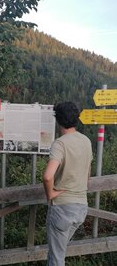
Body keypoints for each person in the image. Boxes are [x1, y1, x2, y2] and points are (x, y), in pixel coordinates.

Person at [43, 101, 92, 266]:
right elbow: (87, 173)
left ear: (58, 121)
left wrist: (50, 194)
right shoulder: (86, 141)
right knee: (58, 251)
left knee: (56, 259)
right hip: (81, 208)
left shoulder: (60, 143)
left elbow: (48, 176)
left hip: (62, 209)